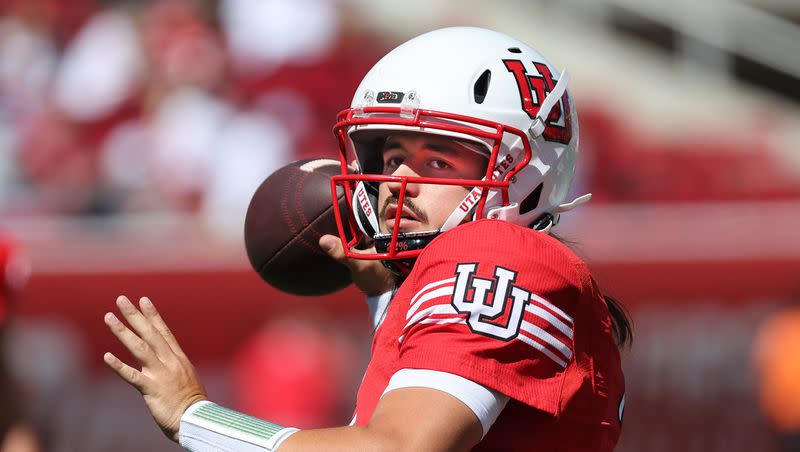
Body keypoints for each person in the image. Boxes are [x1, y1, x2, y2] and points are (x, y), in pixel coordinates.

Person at [104, 27, 631, 451]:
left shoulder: (503, 252)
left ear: (522, 173)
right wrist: (388, 298)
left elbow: (398, 448)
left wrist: (195, 418)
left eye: (438, 161)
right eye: (394, 156)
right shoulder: (496, 267)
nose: (398, 182)